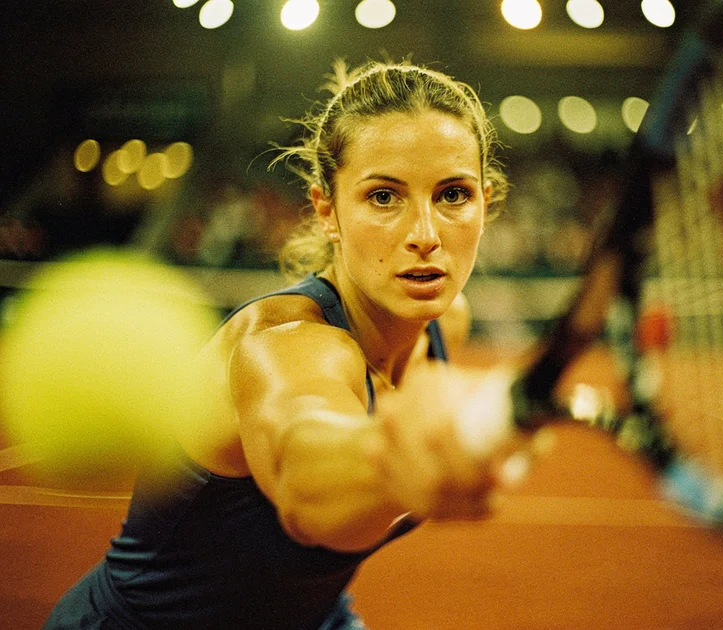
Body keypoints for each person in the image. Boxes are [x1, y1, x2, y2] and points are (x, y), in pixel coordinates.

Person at [45, 59, 536, 630]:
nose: (425, 234)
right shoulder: (280, 344)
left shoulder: (446, 323)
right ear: (327, 210)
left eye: (453, 194)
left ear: (486, 203)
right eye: (383, 197)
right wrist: (394, 456)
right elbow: (303, 474)